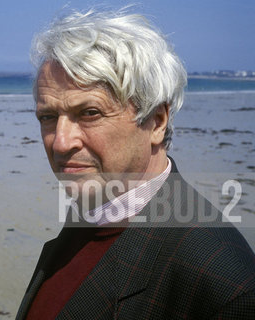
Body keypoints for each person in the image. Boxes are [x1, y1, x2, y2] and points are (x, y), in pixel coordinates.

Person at [16, 8, 255, 319]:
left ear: (157, 121)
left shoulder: (226, 286)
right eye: (47, 117)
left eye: (90, 113)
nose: (61, 142)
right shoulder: (96, 210)